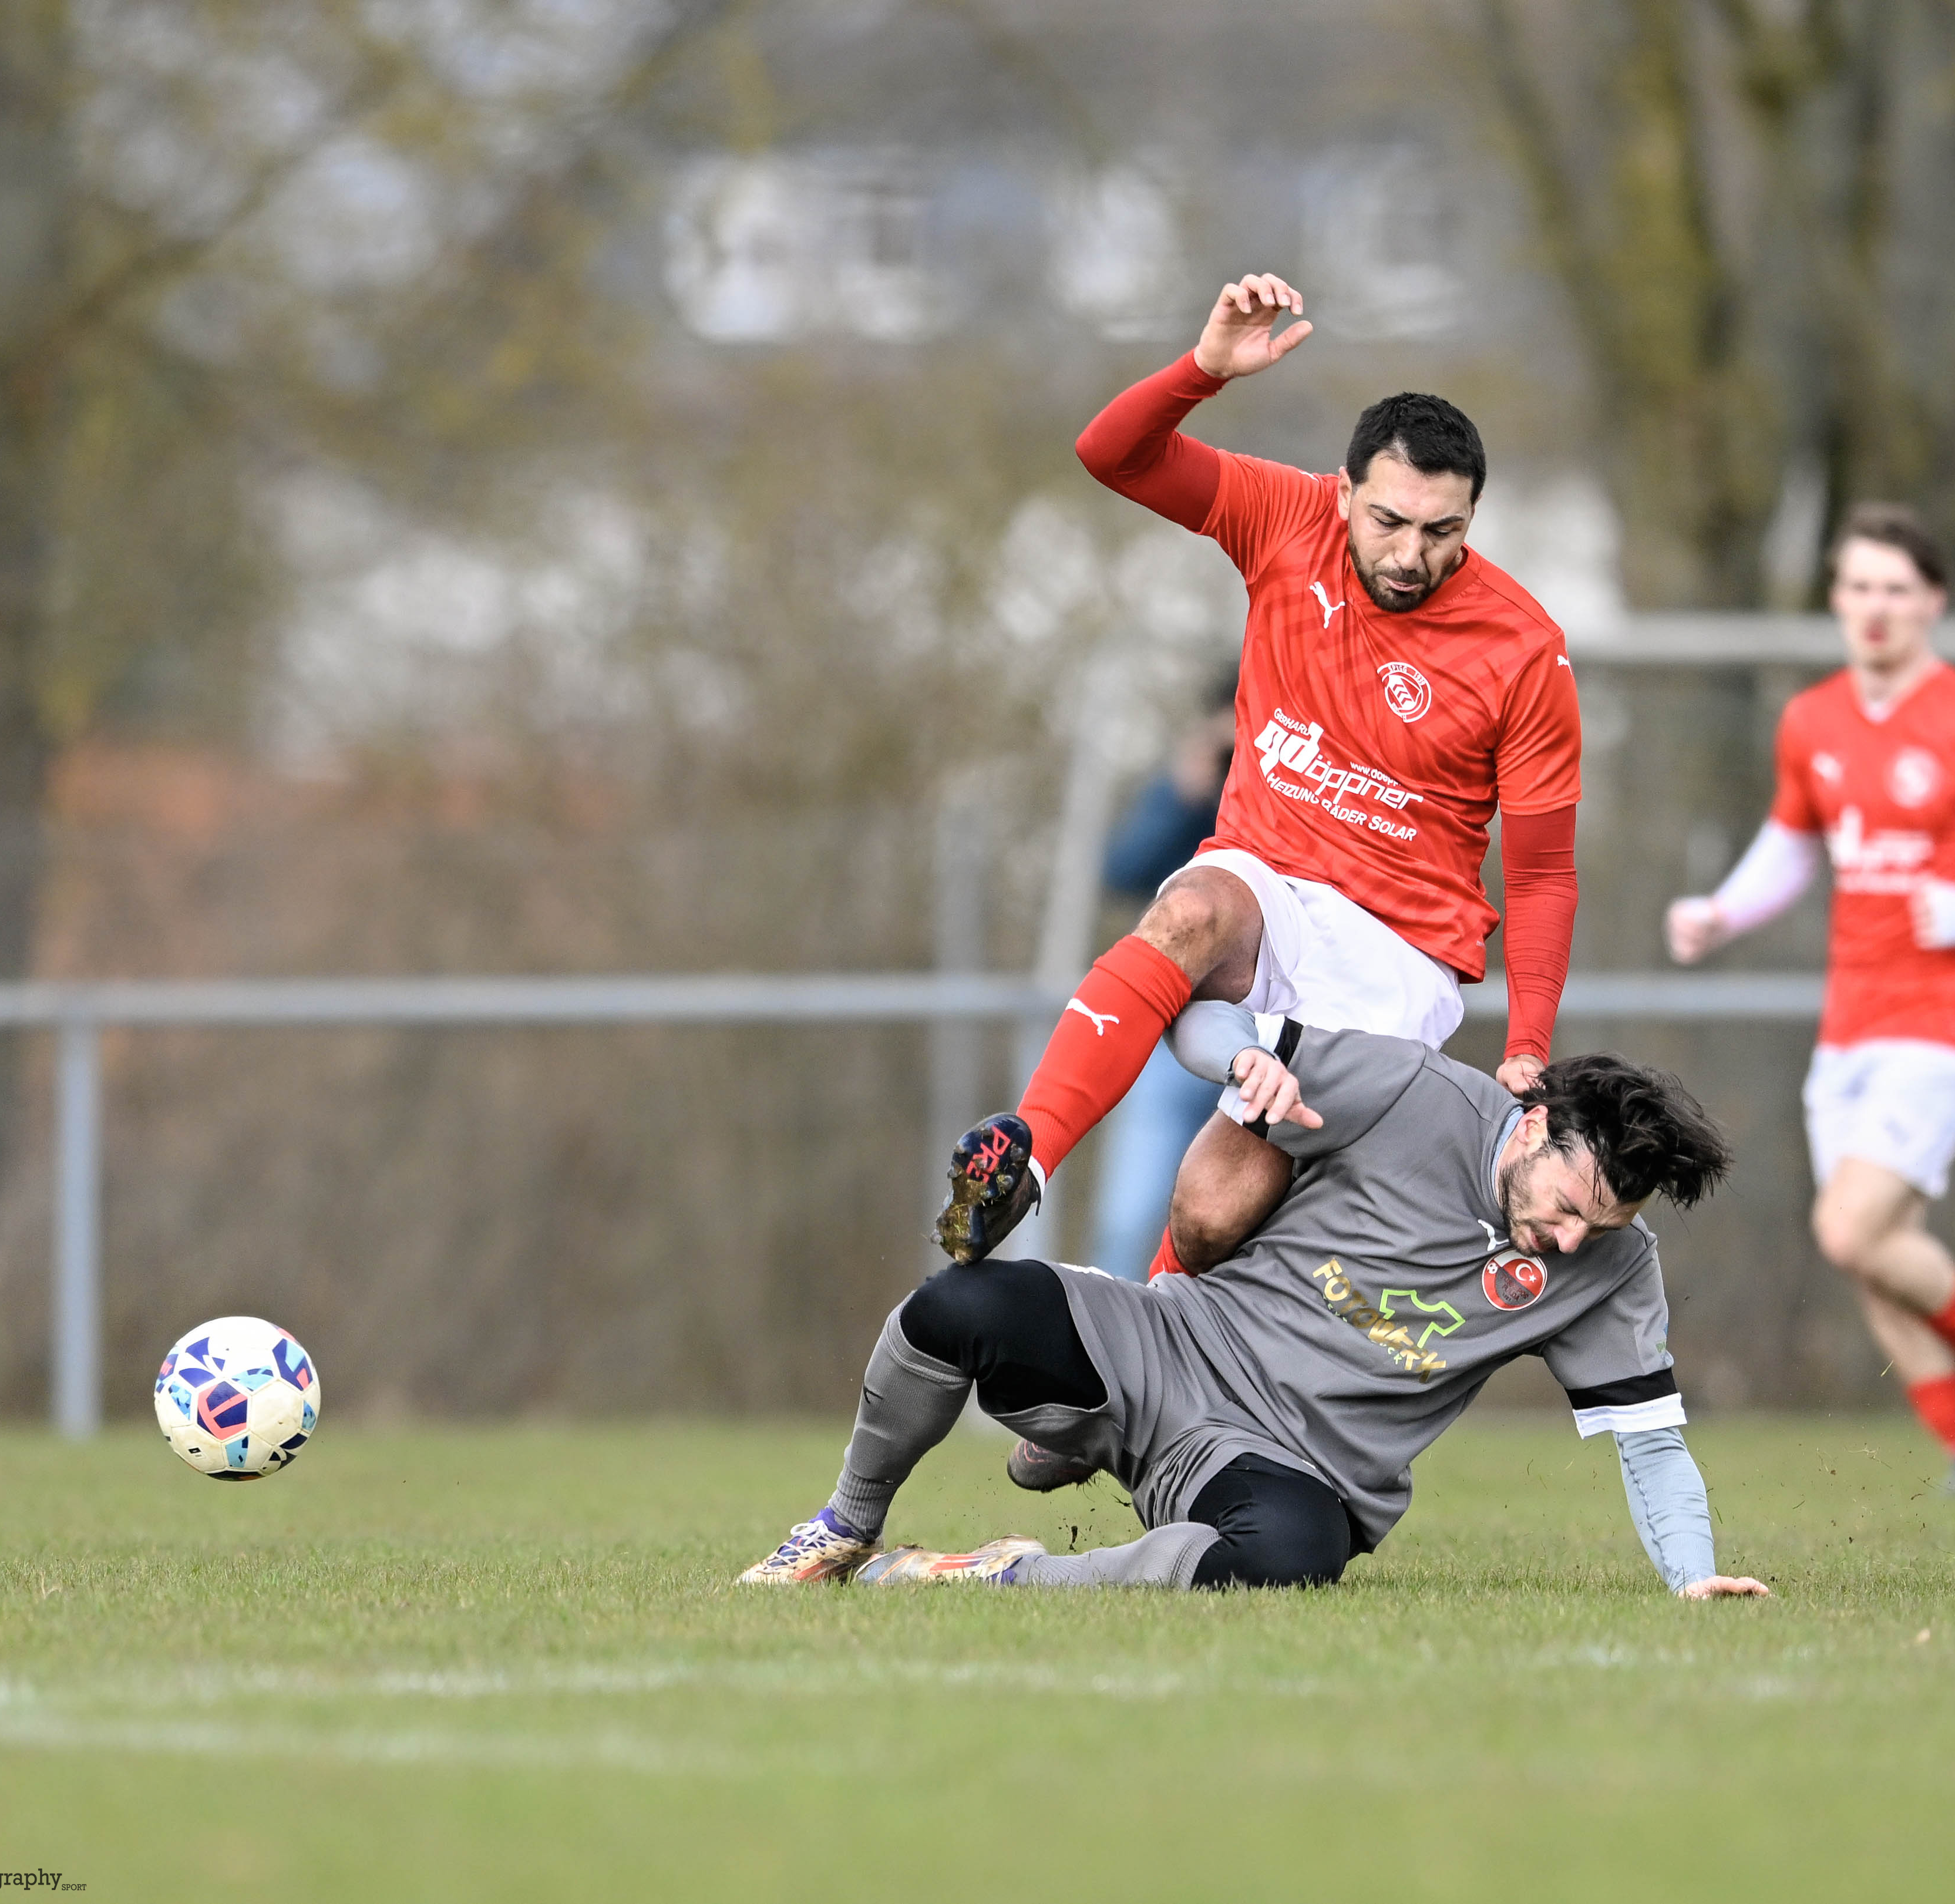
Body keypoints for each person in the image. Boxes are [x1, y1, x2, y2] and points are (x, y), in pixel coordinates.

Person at [938, 271, 1582, 1294]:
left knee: (1210, 1214)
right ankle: (1025, 1157)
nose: (1410, 554)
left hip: (1395, 953)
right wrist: (1202, 370)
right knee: (1189, 910)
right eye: (1388, 521)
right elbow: (1110, 454)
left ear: (1471, 517)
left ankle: (1147, 1357)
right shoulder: (1285, 516)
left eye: (1441, 532)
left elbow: (1543, 874)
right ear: (1342, 492)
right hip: (1265, 881)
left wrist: (1528, 1044)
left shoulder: (1524, 649)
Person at [739, 1021, 1768, 1599]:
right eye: (1569, 1206)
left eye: (1604, 1223)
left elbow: (1651, 1445)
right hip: (1172, 1342)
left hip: (1294, 1469)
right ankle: (841, 1528)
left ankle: (999, 1576)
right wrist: (1241, 1059)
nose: (1574, 1239)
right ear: (1534, 1125)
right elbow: (1193, 1017)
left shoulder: (1612, 1268)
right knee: (954, 1305)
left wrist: (1693, 1576)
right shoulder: (1405, 1088)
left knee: (1288, 1558)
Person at [1664, 504, 1955, 1493]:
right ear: (1835, 598)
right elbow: (1791, 843)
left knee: (1848, 1228)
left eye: (1896, 590)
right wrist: (1721, 911)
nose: (1875, 607)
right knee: (1872, 1256)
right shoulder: (1811, 720)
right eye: (1858, 586)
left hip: (1947, 1021)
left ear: (1932, 602)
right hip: (1849, 1020)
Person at [1085, 681, 1236, 1280]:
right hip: (1171, 1035)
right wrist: (1186, 790)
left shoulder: (1304, 794)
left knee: (1240, 1227)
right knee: (1129, 1217)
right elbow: (1123, 870)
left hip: (1273, 1040)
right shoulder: (1188, 795)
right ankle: (1102, 1331)